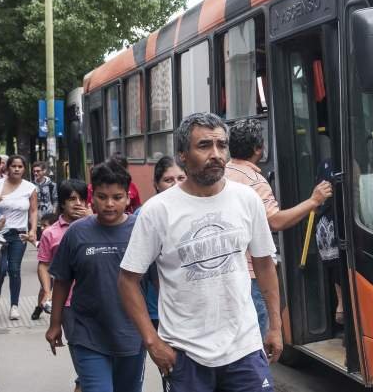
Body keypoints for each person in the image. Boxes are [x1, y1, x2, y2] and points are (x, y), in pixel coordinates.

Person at [119, 112, 281, 391]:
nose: (216, 154)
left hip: (244, 348)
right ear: (183, 154)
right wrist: (152, 342)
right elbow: (127, 281)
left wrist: (275, 327)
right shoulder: (158, 211)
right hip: (185, 355)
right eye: (204, 145)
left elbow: (265, 264)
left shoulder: (247, 199)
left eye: (221, 145)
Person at [226, 118, 334, 337]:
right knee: (255, 340)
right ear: (258, 149)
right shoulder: (254, 181)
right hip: (250, 276)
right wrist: (314, 200)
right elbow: (275, 220)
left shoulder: (223, 172)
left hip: (229, 273)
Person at [45, 161, 145, 392]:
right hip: (88, 334)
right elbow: (62, 280)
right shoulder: (77, 232)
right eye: (102, 197)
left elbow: (157, 282)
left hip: (132, 334)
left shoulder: (141, 230)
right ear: (92, 197)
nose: (109, 204)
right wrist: (55, 323)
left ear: (128, 198)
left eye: (117, 197)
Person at [0, 154, 38, 320]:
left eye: (20, 166)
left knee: (14, 270)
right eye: (13, 166)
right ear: (7, 167)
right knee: (0, 270)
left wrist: (33, 230)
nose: (16, 169)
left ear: (24, 169)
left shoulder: (30, 188)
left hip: (19, 234)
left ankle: (14, 306)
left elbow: (33, 211)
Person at [139, 156, 187, 330]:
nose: (176, 185)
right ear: (156, 184)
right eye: (168, 180)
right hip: (157, 309)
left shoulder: (198, 212)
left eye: (181, 178)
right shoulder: (144, 216)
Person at [32, 180, 88, 320]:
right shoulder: (50, 233)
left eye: (82, 199)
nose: (78, 203)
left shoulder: (95, 227)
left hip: (95, 298)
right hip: (66, 301)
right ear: (63, 203)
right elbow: (44, 265)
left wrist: (91, 220)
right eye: (72, 199)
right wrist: (47, 291)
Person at [33, 161, 58, 225]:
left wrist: (53, 213)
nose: (35, 173)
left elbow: (55, 200)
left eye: (38, 171)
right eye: (34, 171)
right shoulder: (31, 186)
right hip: (36, 218)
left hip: (49, 218)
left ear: (44, 171)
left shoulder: (52, 185)